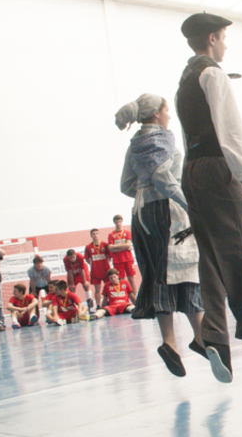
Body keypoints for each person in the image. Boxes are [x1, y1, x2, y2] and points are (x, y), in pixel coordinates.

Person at [175, 12, 242, 382]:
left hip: (192, 171)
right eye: (224, 38)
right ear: (212, 38)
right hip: (218, 169)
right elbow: (229, 127)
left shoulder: (184, 80)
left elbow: (190, 134)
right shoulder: (212, 74)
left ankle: (213, 335)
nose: (226, 45)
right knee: (237, 250)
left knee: (209, 259)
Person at [116, 91, 206, 378]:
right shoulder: (164, 142)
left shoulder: (134, 145)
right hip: (166, 213)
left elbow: (126, 185)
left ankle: (171, 342)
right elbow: (165, 181)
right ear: (156, 113)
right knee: (184, 268)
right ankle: (200, 337)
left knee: (158, 273)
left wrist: (145, 190)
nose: (169, 116)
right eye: (167, 111)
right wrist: (190, 205)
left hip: (140, 214)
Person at [107, 215, 139, 299]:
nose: (118, 223)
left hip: (128, 259)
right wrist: (124, 246)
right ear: (114, 223)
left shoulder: (127, 232)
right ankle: (124, 298)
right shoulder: (111, 235)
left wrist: (115, 247)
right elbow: (110, 248)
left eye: (119, 222)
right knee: (121, 280)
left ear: (122, 222)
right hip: (117, 260)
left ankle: (135, 297)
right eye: (116, 222)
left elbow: (128, 244)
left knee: (131, 279)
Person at [84, 229, 111, 310]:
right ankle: (98, 305)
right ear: (91, 236)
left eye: (97, 233)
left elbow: (110, 256)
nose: (95, 235)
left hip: (106, 270)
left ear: (99, 234)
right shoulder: (88, 247)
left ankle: (109, 303)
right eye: (93, 234)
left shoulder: (105, 244)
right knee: (97, 290)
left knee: (109, 288)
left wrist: (107, 263)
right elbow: (87, 259)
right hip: (95, 271)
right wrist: (92, 265)